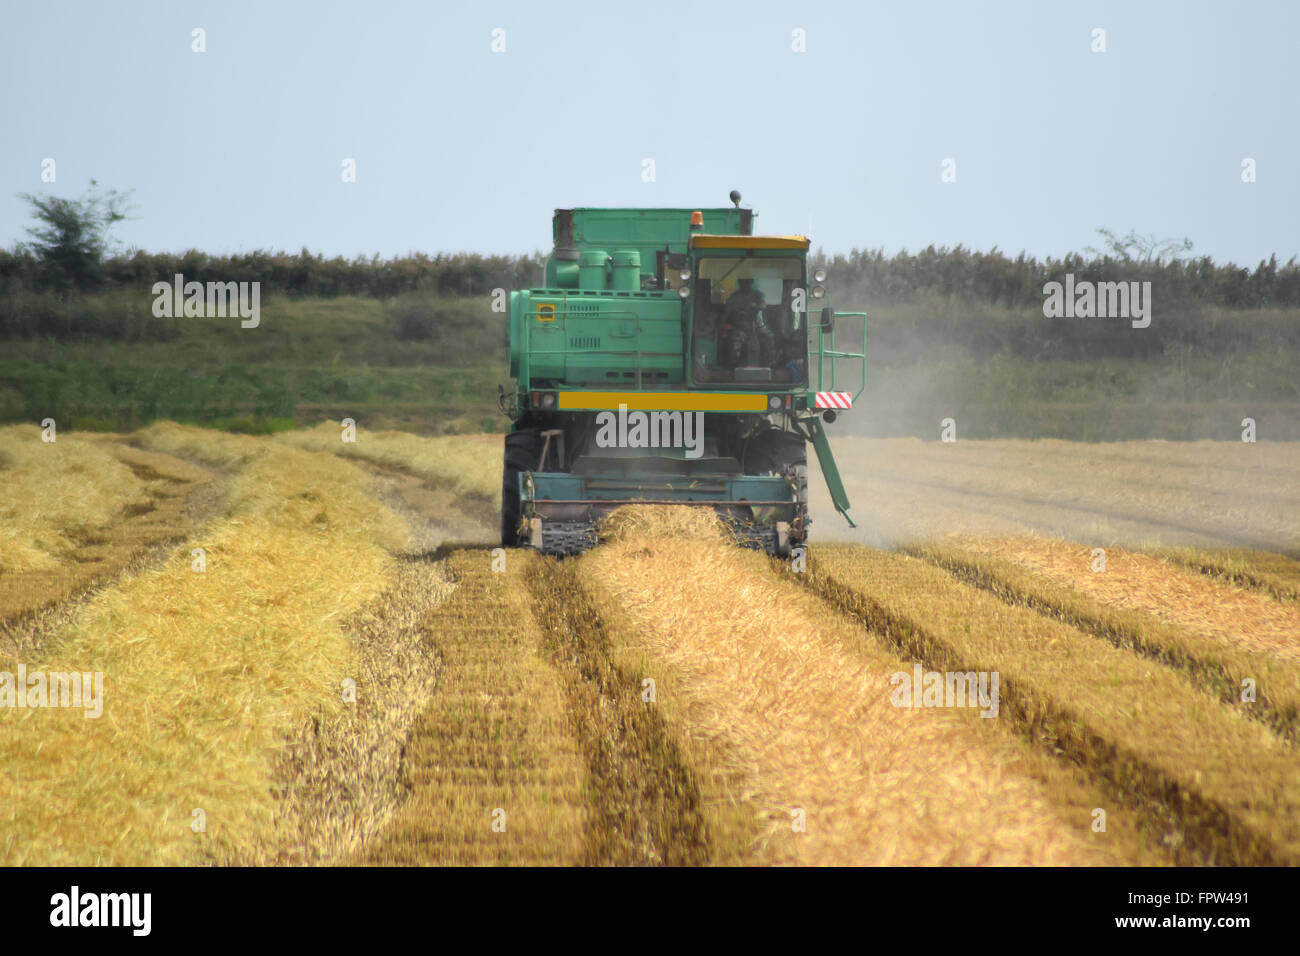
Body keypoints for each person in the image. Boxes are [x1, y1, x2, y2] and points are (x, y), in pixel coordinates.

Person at [722, 277, 774, 367]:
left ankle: (769, 364)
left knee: (769, 337)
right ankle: (734, 367)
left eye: (747, 281)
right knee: (735, 341)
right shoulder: (734, 297)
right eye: (742, 282)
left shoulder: (757, 295)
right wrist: (721, 324)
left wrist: (754, 305)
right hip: (740, 327)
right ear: (739, 282)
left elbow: (763, 305)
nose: (744, 284)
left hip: (758, 327)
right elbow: (726, 313)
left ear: (751, 282)